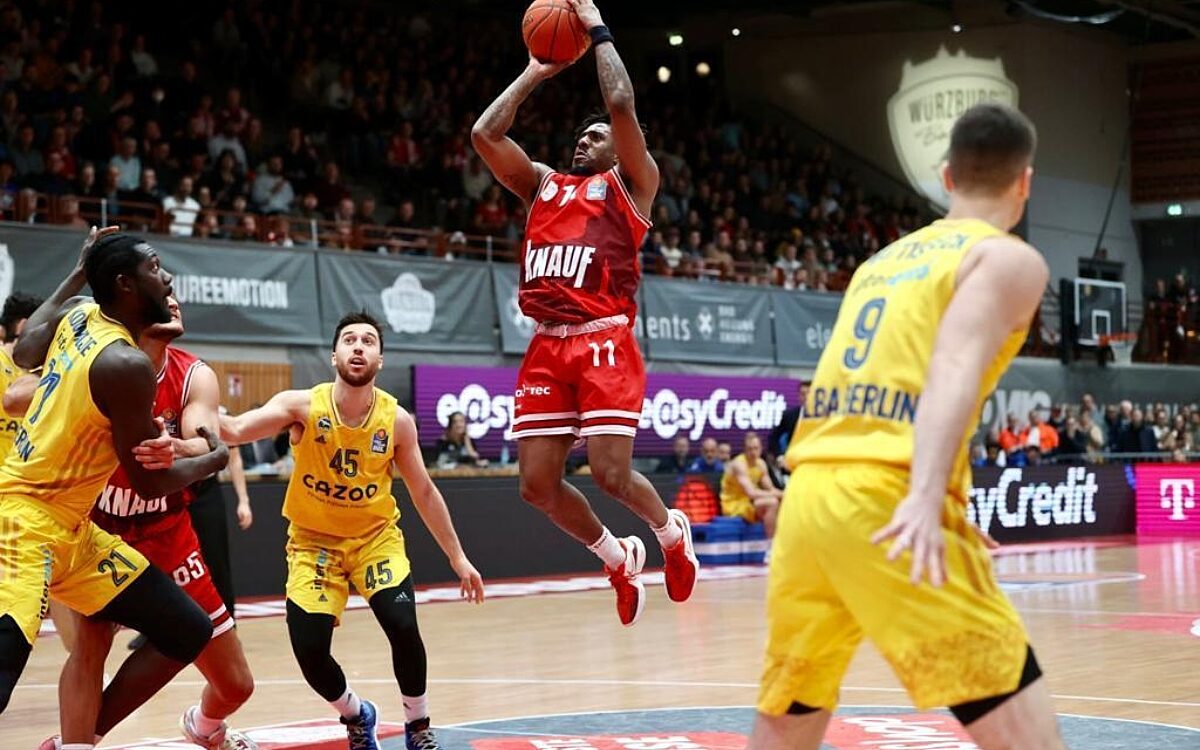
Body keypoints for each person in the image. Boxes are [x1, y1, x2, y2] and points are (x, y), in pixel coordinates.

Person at [750, 104, 1064, 749]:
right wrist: (924, 494)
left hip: (810, 501)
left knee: (789, 720)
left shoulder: (882, 262)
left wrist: (933, 485)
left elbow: (869, 382)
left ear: (946, 177)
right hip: (889, 500)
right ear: (1025, 182)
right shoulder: (1006, 259)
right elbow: (951, 363)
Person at [472, 0, 697, 626]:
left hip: (603, 341)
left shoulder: (632, 186)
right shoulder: (542, 185)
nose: (583, 139)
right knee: (535, 486)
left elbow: (621, 105)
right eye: (579, 134)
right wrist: (537, 71)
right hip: (547, 343)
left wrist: (597, 31)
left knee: (610, 474)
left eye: (593, 136)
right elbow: (485, 137)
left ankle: (671, 536)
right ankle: (617, 557)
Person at [218, 312, 486, 750]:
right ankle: (357, 714)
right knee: (309, 650)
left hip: (374, 539)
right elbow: (233, 430)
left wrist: (458, 557)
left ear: (380, 360)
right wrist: (191, 407)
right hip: (312, 543)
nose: (358, 346)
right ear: (334, 355)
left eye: (367, 341)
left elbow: (424, 491)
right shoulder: (301, 405)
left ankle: (418, 726)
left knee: (401, 623)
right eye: (349, 340)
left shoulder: (396, 421)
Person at [0, 228, 228, 741]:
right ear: (125, 285)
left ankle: (80, 740)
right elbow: (153, 483)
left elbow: (24, 348)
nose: (166, 276)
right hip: (24, 520)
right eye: (154, 267)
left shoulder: (81, 312)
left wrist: (81, 270)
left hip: (74, 532)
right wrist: (212, 458)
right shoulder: (125, 365)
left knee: (187, 629)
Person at [720, 432, 782, 538]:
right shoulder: (739, 464)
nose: (753, 452)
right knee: (772, 502)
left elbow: (770, 488)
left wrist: (786, 495)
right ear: (744, 449)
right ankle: (771, 546)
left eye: (756, 448)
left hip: (750, 502)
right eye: (750, 449)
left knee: (784, 501)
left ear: (761, 448)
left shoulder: (761, 464)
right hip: (734, 504)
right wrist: (778, 495)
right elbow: (751, 493)